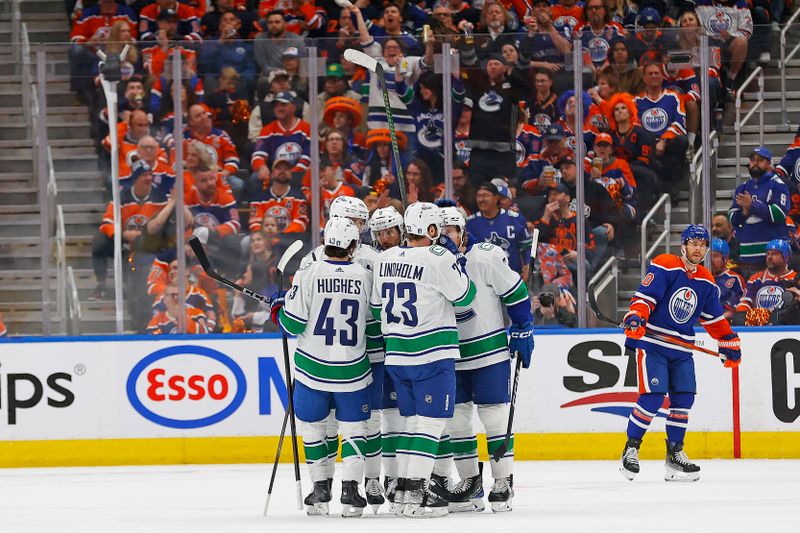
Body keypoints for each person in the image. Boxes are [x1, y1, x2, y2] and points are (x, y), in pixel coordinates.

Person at [370, 202, 476, 518]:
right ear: (431, 230)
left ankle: (403, 492)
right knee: (430, 425)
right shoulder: (438, 258)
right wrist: (454, 260)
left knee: (413, 423)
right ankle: (416, 492)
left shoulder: (385, 258)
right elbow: (466, 297)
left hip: (397, 355)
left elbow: (377, 309)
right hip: (432, 354)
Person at [269, 218, 374, 517]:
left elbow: (293, 324)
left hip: (313, 371)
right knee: (354, 430)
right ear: (353, 246)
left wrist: (279, 311)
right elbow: (373, 321)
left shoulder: (309, 272)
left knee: (314, 428)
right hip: (353, 371)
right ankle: (351, 491)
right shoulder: (364, 275)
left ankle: (320, 490)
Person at [620, 224, 742, 482]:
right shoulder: (666, 265)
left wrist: (728, 340)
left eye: (702, 244)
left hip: (682, 350)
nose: (698, 248)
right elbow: (644, 299)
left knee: (684, 400)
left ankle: (674, 456)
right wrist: (636, 317)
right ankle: (631, 449)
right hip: (653, 346)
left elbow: (713, 319)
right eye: (694, 243)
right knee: (652, 398)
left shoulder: (707, 281)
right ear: (683, 245)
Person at [439, 207, 533, 513]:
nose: (445, 235)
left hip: (488, 351)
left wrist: (522, 326)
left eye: (451, 229)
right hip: (451, 355)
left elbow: (515, 290)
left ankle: (503, 479)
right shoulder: (429, 262)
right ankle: (470, 481)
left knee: (494, 416)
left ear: (463, 233)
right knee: (457, 420)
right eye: (438, 230)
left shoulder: (485, 256)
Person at [462, 54, 527, 185]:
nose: (492, 67)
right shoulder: (479, 86)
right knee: (477, 189)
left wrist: (511, 71)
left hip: (503, 152)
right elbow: (469, 66)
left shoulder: (512, 88)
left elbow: (524, 82)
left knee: (503, 190)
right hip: (479, 151)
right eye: (490, 64)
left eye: (496, 64)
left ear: (504, 68)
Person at [729, 146, 790, 278]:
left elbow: (779, 213)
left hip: (771, 254)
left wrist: (752, 206)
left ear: (769, 164)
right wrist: (744, 213)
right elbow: (732, 217)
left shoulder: (777, 184)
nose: (755, 163)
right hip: (746, 255)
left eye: (760, 160)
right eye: (753, 159)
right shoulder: (743, 187)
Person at [635, 62, 689, 190]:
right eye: (650, 73)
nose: (653, 76)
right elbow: (635, 126)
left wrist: (663, 141)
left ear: (662, 77)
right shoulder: (636, 101)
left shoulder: (674, 97)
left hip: (667, 143)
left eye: (656, 73)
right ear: (644, 78)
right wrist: (651, 142)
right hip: (646, 144)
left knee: (681, 141)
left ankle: (672, 188)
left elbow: (680, 123)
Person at [466, 183, 532, 276]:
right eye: (478, 196)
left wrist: (527, 266)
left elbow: (525, 246)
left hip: (513, 276)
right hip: (484, 277)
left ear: (496, 198)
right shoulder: (471, 223)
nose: (481, 199)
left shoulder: (514, 218)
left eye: (485, 196)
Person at [734, 239, 798, 319]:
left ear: (786, 257)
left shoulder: (796, 279)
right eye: (768, 254)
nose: (769, 257)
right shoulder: (756, 278)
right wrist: (739, 316)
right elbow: (746, 303)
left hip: (786, 322)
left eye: (774, 254)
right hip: (759, 322)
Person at [248, 157, 309, 234]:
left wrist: (282, 237)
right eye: (278, 168)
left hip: (290, 240)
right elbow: (255, 223)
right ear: (272, 173)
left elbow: (300, 223)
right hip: (266, 240)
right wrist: (267, 237)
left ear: (291, 173)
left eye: (286, 169)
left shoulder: (299, 196)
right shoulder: (259, 197)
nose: (282, 171)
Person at [711, 239, 745, 318]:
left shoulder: (735, 279)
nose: (711, 260)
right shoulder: (700, 278)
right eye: (708, 256)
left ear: (725, 258)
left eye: (715, 256)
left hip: (725, 322)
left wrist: (719, 320)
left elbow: (738, 307)